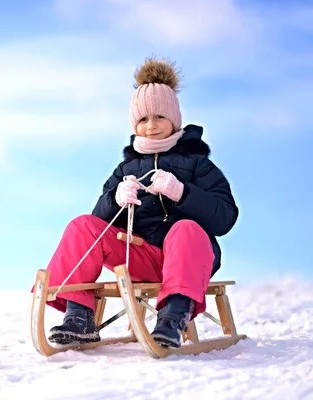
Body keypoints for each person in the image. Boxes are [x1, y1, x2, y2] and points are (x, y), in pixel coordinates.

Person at [42, 56, 239, 348]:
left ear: (174, 119)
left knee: (185, 228)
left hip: (188, 258)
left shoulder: (199, 165)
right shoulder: (125, 170)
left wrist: (182, 193)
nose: (151, 126)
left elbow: (224, 218)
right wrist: (116, 200)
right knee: (82, 225)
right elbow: (99, 225)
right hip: (140, 257)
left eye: (159, 117)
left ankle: (172, 318)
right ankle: (78, 315)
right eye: (143, 119)